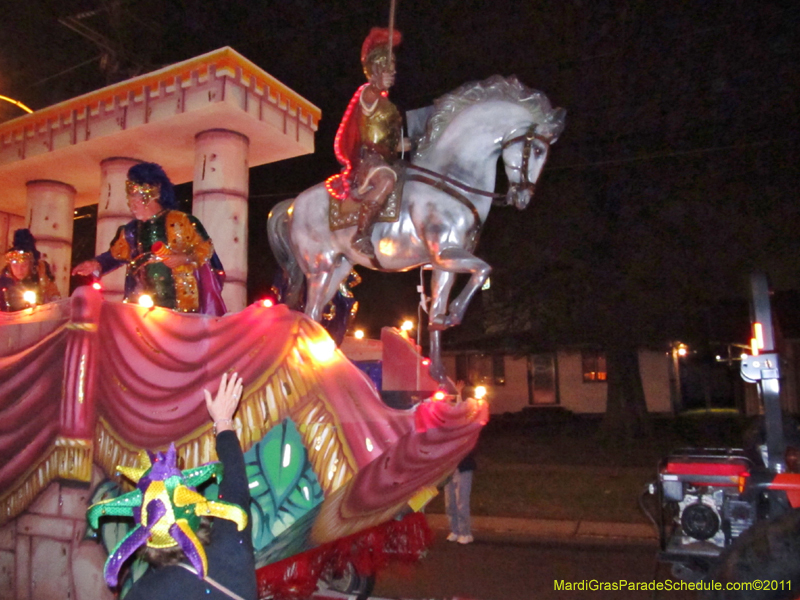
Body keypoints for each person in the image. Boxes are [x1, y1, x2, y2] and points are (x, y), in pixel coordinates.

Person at [86, 373, 257, 600]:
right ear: (195, 511)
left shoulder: (143, 594)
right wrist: (223, 420)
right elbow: (235, 485)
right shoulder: (231, 549)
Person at [72, 162, 226, 315]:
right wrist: (96, 263)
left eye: (136, 199)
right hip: (141, 303)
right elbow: (115, 255)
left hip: (182, 302)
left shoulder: (182, 221)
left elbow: (206, 249)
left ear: (155, 194)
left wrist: (185, 258)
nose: (131, 204)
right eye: (130, 199)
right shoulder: (131, 230)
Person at [325, 27, 409, 258]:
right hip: (368, 160)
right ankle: (361, 233)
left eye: (391, 68)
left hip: (387, 158)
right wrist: (377, 84)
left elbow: (389, 140)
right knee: (386, 180)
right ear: (374, 71)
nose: (391, 73)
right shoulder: (368, 94)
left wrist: (402, 146)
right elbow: (371, 94)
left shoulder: (390, 106)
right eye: (384, 68)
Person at [444, 381, 477, 544]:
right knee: (450, 502)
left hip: (463, 467)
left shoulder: (466, 427)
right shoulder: (447, 428)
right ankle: (454, 530)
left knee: (461, 501)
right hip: (449, 468)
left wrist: (459, 395)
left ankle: (465, 531)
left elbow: (461, 412)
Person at [0, 228, 61, 311]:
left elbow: (53, 295)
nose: (19, 270)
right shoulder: (4, 280)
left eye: (24, 265)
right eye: (15, 266)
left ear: (30, 264)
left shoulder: (40, 273)